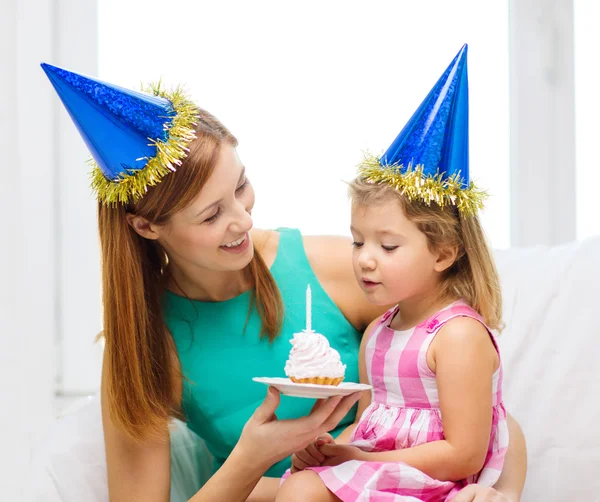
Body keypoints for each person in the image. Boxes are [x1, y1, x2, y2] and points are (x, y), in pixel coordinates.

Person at [40, 58, 526, 502]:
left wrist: (497, 492)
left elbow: (482, 415)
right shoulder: (145, 343)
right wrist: (251, 459)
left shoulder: (340, 270)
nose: (244, 221)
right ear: (147, 227)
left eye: (241, 186)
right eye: (212, 216)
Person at [276, 45, 514, 501]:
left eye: (387, 246)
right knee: (298, 488)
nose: (365, 258)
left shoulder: (457, 336)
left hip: (437, 486)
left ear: (444, 253)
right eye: (357, 241)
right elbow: (369, 431)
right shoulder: (378, 334)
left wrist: (357, 461)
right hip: (381, 474)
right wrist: (334, 450)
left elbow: (464, 455)